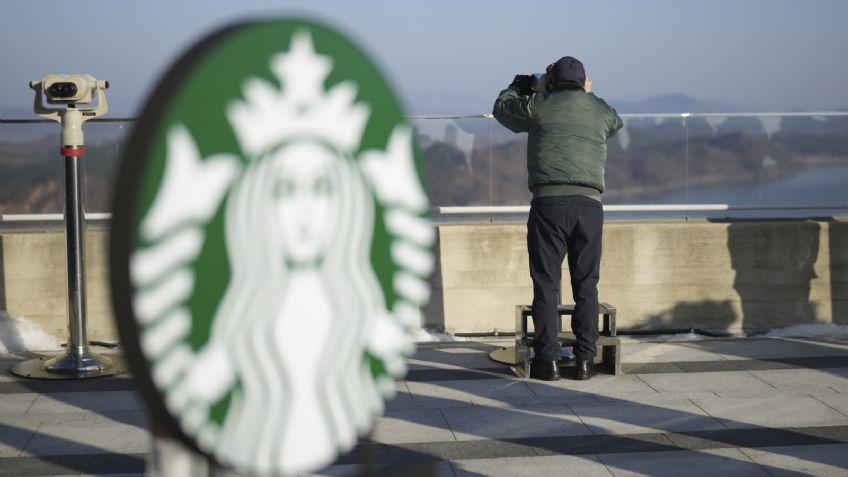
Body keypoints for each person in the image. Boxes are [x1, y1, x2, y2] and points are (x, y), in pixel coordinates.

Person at [493, 56, 623, 381]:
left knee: (547, 285)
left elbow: (502, 109)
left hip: (548, 205)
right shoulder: (598, 109)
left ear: (552, 82)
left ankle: (547, 362)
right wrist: (587, 96)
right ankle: (584, 362)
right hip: (590, 207)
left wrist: (519, 86)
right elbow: (615, 122)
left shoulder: (538, 104)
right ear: (583, 83)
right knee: (586, 285)